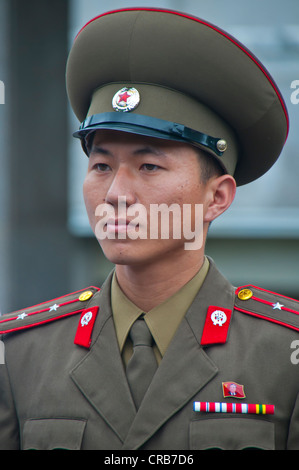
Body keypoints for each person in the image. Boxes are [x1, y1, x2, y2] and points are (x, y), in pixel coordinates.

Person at [0, 7, 299, 451]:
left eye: (149, 165)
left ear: (216, 197)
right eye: (101, 164)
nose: (116, 192)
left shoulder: (282, 357)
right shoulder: (20, 356)